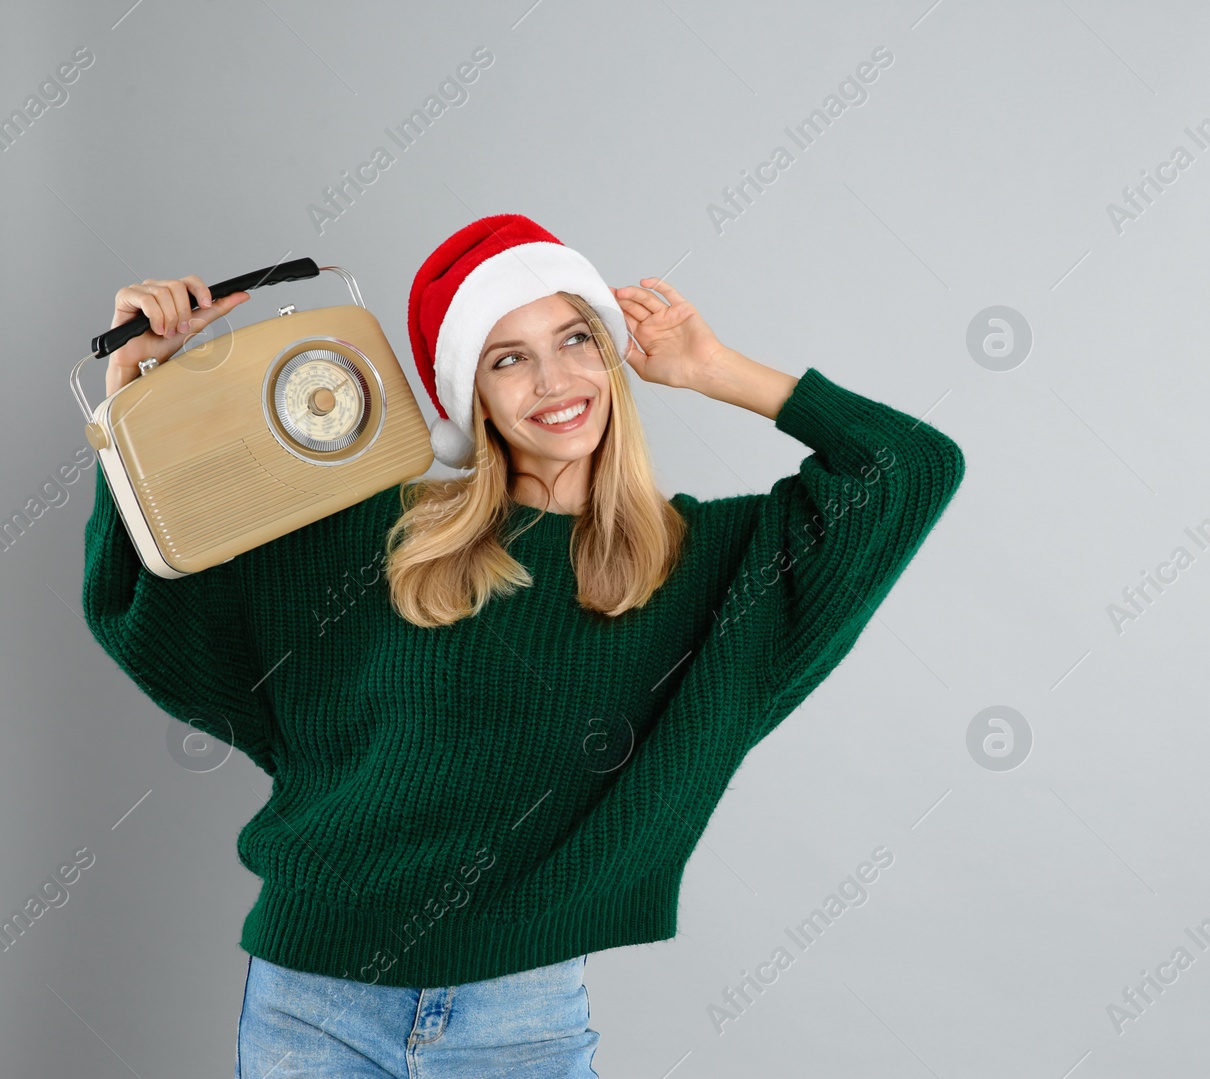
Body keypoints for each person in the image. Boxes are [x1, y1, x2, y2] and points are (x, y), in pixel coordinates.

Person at [84, 213, 966, 1078]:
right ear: (472, 394)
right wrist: (144, 385)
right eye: (509, 358)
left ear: (614, 357)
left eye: (577, 338)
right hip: (316, 1005)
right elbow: (155, 594)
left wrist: (712, 368)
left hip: (522, 1022)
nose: (554, 379)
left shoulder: (706, 570)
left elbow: (911, 466)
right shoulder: (383, 534)